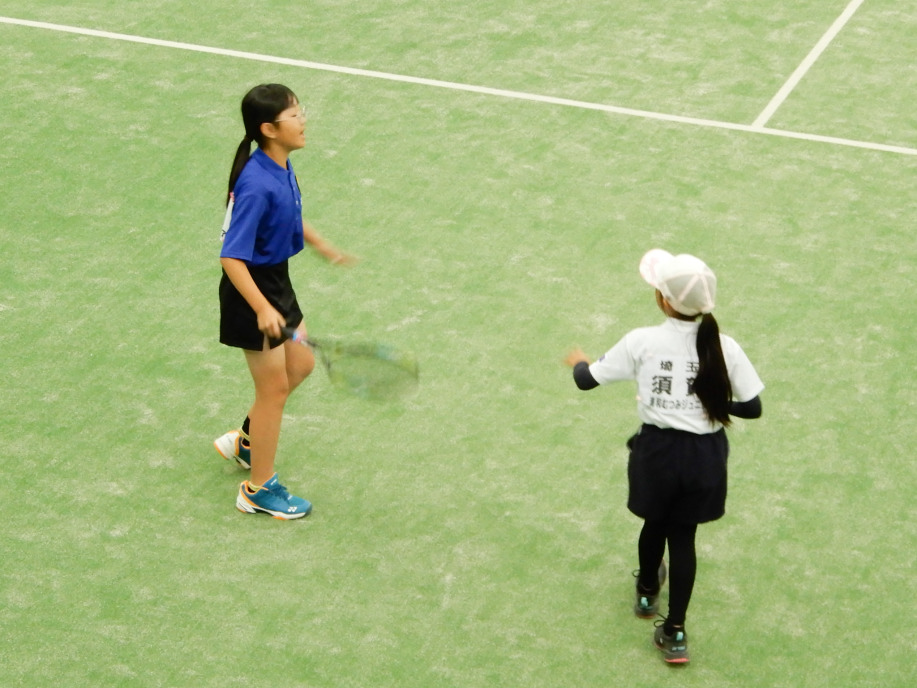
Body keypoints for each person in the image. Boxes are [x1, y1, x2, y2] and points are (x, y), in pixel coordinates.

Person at [564, 249, 763, 664]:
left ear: (663, 299)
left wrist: (580, 362)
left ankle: (646, 592)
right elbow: (752, 407)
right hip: (704, 458)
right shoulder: (724, 346)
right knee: (683, 538)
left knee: (655, 522)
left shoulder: (642, 341)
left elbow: (586, 381)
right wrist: (712, 405)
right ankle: (674, 633)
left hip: (656, 452)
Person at [213, 83, 354, 520]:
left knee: (302, 364)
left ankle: (246, 441)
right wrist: (260, 307)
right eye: (294, 115)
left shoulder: (279, 164)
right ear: (269, 129)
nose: (303, 119)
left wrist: (321, 244)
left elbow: (288, 212)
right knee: (272, 389)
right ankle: (258, 489)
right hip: (251, 292)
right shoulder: (256, 183)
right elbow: (231, 257)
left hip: (276, 282)